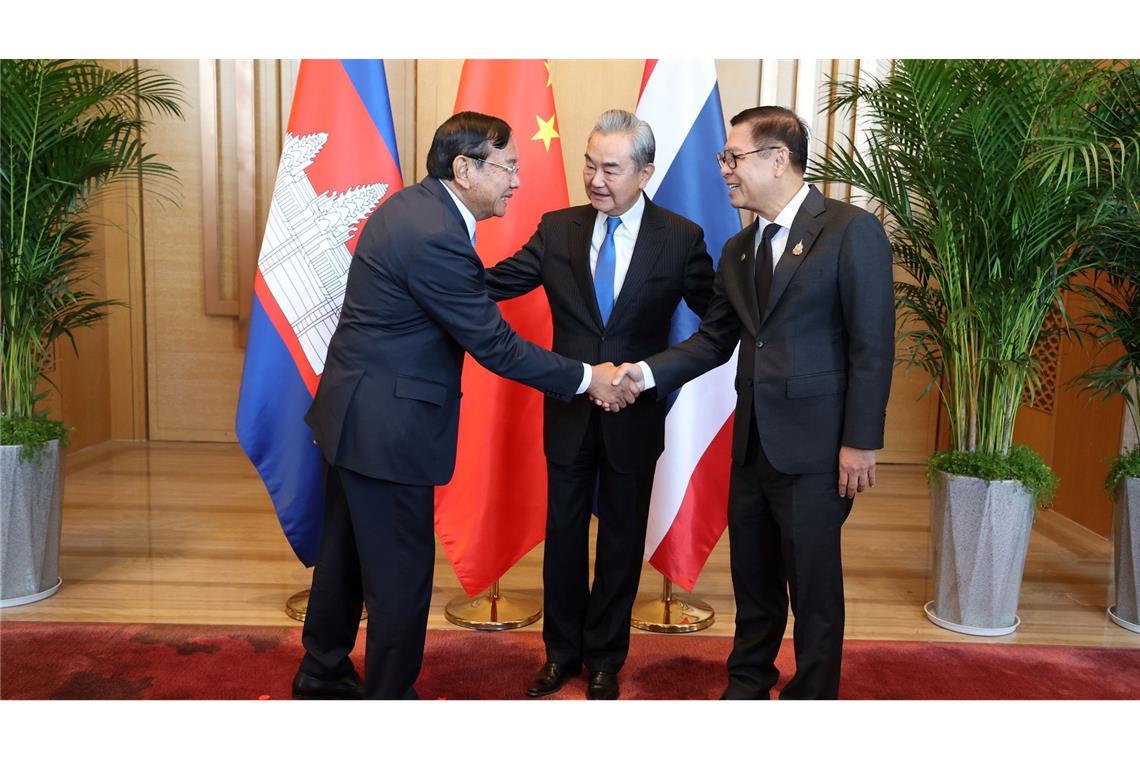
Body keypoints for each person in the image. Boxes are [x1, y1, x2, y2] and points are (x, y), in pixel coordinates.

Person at [293, 111, 634, 700]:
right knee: (398, 577)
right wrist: (588, 378)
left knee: (345, 558)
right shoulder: (433, 234)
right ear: (464, 168)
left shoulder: (417, 208)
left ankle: (321, 672)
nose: (516, 182)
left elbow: (466, 306)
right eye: (507, 168)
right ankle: (390, 696)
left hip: (355, 416)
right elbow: (496, 346)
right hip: (387, 430)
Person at [611, 106, 894, 699]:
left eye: (733, 158)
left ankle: (813, 696)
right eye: (723, 159)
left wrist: (860, 442)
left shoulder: (849, 231)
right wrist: (643, 372)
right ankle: (746, 685)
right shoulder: (740, 248)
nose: (725, 171)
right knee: (753, 580)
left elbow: (872, 345)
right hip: (753, 447)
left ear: (778, 159)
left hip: (818, 450)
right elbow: (715, 339)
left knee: (814, 588)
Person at [484, 109, 714, 700]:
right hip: (569, 411)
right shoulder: (557, 228)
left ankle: (607, 658)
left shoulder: (680, 237)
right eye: (588, 164)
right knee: (563, 537)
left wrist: (651, 374)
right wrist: (427, 264)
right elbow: (497, 282)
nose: (594, 179)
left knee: (620, 540)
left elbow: (719, 321)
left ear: (645, 172)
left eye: (610, 168)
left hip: (635, 416)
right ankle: (560, 654)